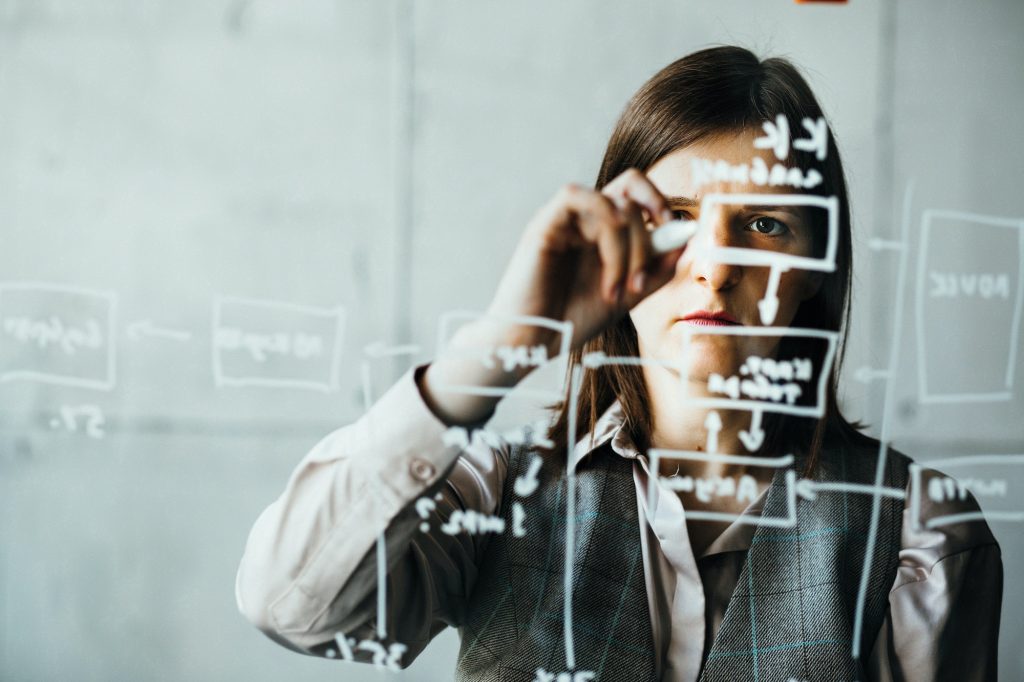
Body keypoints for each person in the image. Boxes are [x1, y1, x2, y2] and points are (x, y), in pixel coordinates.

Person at [235, 46, 1002, 681]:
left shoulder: (919, 531)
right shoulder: (496, 492)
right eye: (675, 221)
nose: (714, 266)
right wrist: (504, 342)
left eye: (765, 224)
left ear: (815, 274)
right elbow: (291, 606)